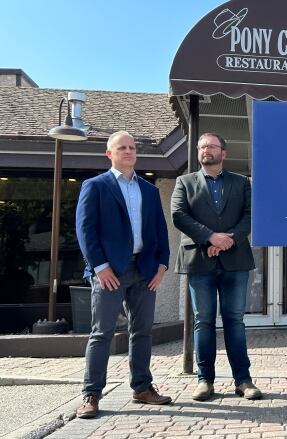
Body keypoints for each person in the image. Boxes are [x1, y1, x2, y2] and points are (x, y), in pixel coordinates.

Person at [74, 130, 172, 419]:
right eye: (122, 148)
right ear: (110, 154)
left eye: (132, 147)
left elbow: (160, 232)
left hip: (144, 270)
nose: (128, 151)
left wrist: (161, 266)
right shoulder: (95, 186)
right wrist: (99, 266)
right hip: (110, 272)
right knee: (101, 333)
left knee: (142, 332)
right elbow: (85, 230)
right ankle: (91, 395)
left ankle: (142, 387)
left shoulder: (150, 190)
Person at [171, 132, 262, 401]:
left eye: (211, 146)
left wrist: (226, 241)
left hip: (235, 261)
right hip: (199, 261)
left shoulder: (241, 182)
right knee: (203, 321)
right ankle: (205, 381)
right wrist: (210, 237)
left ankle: (243, 380)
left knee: (235, 321)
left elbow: (251, 214)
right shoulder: (184, 182)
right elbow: (179, 215)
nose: (205, 150)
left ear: (224, 152)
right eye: (201, 147)